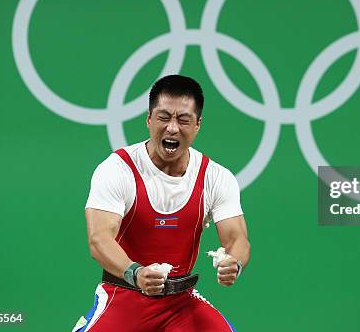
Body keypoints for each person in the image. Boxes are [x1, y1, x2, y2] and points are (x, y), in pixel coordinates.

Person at [73, 75, 250, 332]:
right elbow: (99, 239)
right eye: (164, 117)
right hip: (123, 296)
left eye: (184, 120)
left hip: (181, 303)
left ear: (198, 125)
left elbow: (237, 239)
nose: (172, 128)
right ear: (149, 119)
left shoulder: (216, 177)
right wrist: (136, 273)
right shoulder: (117, 169)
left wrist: (234, 263)